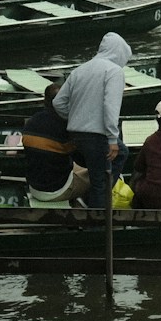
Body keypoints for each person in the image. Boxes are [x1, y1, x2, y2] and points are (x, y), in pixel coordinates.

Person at [54, 32, 132, 209]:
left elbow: (58, 102)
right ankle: (97, 225)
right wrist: (112, 138)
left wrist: (74, 117)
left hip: (74, 135)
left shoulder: (80, 70)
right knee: (101, 183)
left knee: (122, 153)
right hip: (97, 137)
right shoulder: (114, 71)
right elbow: (111, 107)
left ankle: (91, 198)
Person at [22, 83, 88, 206]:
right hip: (56, 190)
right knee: (100, 173)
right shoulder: (66, 126)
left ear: (44, 101)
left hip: (34, 187)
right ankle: (95, 211)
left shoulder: (31, 121)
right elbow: (83, 161)